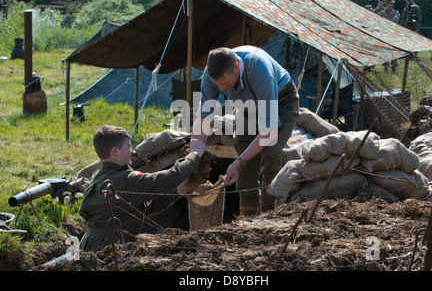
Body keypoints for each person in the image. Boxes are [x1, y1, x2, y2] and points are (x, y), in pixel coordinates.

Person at [193, 46, 300, 216]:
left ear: (237, 67)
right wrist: (192, 161)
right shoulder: (210, 75)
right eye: (217, 85)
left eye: (226, 84)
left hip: (281, 100)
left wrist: (238, 162)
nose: (220, 89)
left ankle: (268, 218)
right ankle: (247, 221)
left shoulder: (260, 71)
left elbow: (268, 133)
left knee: (271, 151)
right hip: (246, 107)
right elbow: (204, 120)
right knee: (245, 163)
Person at [78, 125, 206, 252]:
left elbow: (141, 210)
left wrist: (178, 191)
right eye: (128, 146)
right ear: (115, 151)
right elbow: (171, 177)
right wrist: (194, 154)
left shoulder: (100, 176)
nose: (132, 151)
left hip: (92, 244)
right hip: (108, 248)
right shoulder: (125, 180)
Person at [378, 0, 400, 72]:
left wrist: (385, 22)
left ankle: (393, 68)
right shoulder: (381, 13)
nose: (392, 5)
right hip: (384, 35)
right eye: (391, 3)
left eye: (393, 3)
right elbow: (378, 22)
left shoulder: (396, 12)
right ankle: (385, 67)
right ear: (387, 4)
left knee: (393, 51)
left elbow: (395, 21)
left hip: (393, 35)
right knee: (385, 51)